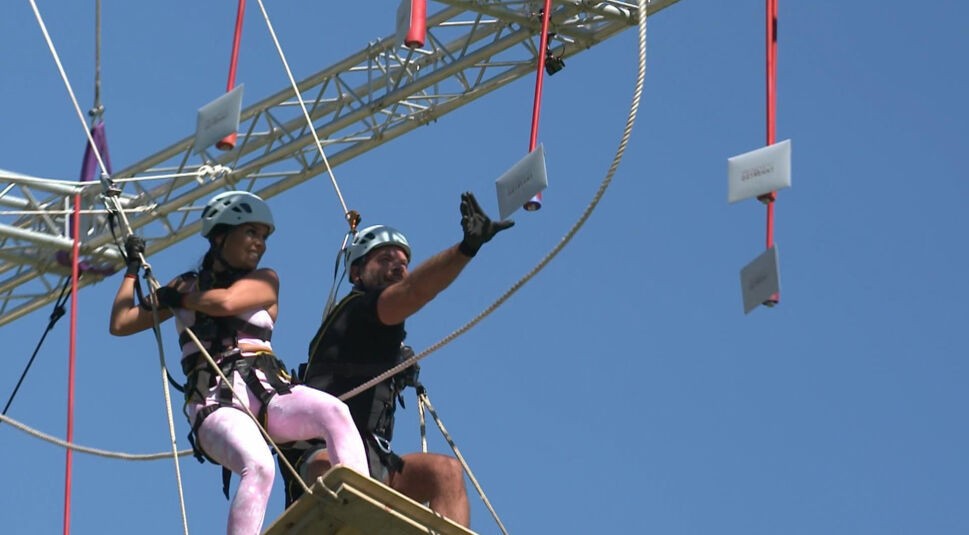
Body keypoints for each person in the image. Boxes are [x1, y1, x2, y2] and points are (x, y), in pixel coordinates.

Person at [108, 190, 368, 535]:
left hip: (270, 391)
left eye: (263, 237)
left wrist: (180, 299)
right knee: (258, 465)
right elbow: (121, 323)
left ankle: (360, 510)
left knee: (334, 412)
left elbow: (227, 302)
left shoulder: (265, 280)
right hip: (215, 403)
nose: (259, 244)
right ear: (220, 236)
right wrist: (130, 272)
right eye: (251, 233)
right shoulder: (186, 284)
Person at [280, 192, 512, 527]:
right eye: (386, 258)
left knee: (444, 472)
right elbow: (414, 291)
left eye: (403, 261)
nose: (399, 265)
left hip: (373, 460)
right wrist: (466, 249)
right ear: (357, 273)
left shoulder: (382, 333)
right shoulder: (357, 311)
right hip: (323, 456)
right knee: (334, 470)